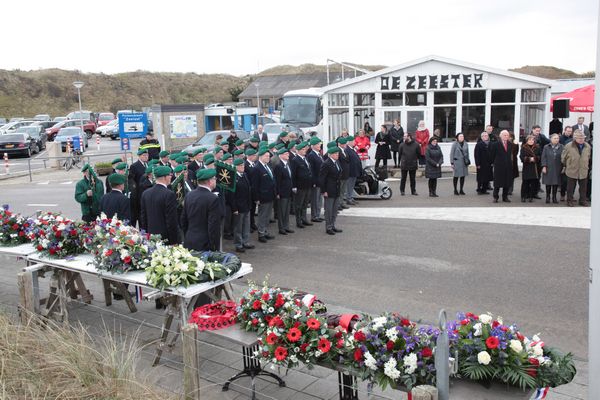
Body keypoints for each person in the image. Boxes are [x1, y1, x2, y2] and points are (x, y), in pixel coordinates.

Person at [181, 168, 222, 251]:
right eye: (214, 178)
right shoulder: (213, 199)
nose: (216, 181)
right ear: (210, 181)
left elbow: (183, 220)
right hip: (205, 244)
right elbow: (213, 226)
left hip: (190, 240)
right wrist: (214, 246)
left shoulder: (189, 195)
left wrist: (188, 235)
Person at [140, 166, 179, 244]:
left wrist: (146, 235)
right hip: (165, 237)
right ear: (165, 177)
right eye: (170, 175)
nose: (171, 177)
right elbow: (171, 220)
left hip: (151, 235)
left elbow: (143, 218)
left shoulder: (146, 193)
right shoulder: (169, 194)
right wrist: (174, 241)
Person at [226, 158, 254, 252]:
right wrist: (234, 208)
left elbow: (248, 190)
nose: (243, 167)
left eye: (243, 165)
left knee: (246, 225)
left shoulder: (244, 175)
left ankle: (246, 242)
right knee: (238, 227)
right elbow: (231, 196)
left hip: (246, 205)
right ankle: (238, 244)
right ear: (235, 167)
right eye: (240, 165)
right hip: (238, 207)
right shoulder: (233, 178)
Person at [251, 148, 276, 243]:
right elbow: (254, 185)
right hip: (263, 196)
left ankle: (265, 231)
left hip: (270, 195)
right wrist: (256, 198)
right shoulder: (257, 168)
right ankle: (261, 233)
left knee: (267, 215)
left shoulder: (267, 166)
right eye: (266, 156)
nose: (268, 158)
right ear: (260, 157)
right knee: (262, 216)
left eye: (269, 156)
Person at [561, 130, 592, 207]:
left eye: (583, 138)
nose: (581, 139)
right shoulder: (568, 146)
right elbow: (563, 158)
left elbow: (589, 157)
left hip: (583, 169)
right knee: (570, 188)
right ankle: (569, 201)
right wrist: (567, 165)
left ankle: (582, 200)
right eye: (579, 138)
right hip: (572, 169)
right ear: (575, 138)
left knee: (583, 188)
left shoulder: (588, 146)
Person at [319, 146, 342, 235]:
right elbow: (322, 178)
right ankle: (328, 227)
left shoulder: (337, 162)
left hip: (336, 189)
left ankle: (332, 225)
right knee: (329, 210)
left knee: (335, 209)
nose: (337, 155)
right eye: (335, 154)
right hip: (329, 190)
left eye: (338, 153)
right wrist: (324, 191)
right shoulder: (326, 164)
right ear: (331, 154)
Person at [291, 141, 312, 227]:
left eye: (305, 149)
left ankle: (304, 219)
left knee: (305, 204)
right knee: (299, 204)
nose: (305, 150)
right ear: (298, 150)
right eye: (303, 149)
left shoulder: (305, 158)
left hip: (307, 185)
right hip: (300, 186)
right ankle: (298, 221)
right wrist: (294, 186)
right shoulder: (295, 160)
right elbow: (293, 174)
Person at [490, 130, 514, 203]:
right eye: (504, 135)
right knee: (497, 182)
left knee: (506, 182)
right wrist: (493, 163)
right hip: (499, 166)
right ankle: (495, 197)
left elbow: (511, 154)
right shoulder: (495, 144)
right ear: (500, 136)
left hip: (508, 166)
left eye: (507, 135)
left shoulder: (510, 144)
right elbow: (492, 155)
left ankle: (505, 197)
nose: (506, 136)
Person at [274, 148, 293, 235]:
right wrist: (278, 193)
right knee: (282, 211)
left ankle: (286, 226)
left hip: (288, 191)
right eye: (286, 154)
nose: (288, 155)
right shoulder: (279, 166)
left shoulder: (287, 164)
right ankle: (281, 228)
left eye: (288, 154)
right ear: (281, 155)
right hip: (282, 192)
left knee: (287, 210)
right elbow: (277, 181)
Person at [541, 134, 564, 204]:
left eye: (557, 138)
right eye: (555, 138)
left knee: (556, 183)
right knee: (548, 183)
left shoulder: (562, 147)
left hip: (558, 167)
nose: (556, 140)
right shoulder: (546, 147)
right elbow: (543, 157)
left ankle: (554, 197)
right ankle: (548, 197)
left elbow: (564, 157)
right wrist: (544, 166)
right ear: (551, 139)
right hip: (548, 167)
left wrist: (564, 166)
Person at [129, 149, 149, 227]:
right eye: (144, 155)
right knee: (140, 215)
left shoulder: (147, 164)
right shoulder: (134, 166)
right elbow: (132, 180)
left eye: (147, 155)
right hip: (139, 193)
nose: (146, 157)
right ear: (139, 156)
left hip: (147, 191)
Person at [307, 137, 324, 222]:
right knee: (315, 199)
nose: (319, 145)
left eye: (319, 144)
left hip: (320, 180)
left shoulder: (318, 154)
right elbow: (311, 170)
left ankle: (318, 214)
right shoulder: (311, 155)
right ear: (313, 146)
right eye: (317, 144)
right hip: (316, 181)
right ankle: (314, 216)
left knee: (319, 199)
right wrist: (313, 182)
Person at [519, 135, 540, 202]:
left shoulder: (537, 147)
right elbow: (521, 157)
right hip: (527, 167)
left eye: (532, 140)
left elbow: (540, 156)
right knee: (525, 182)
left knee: (533, 183)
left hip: (534, 168)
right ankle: (523, 196)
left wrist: (535, 159)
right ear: (527, 141)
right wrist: (529, 159)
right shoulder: (524, 147)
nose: (531, 141)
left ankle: (531, 196)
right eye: (529, 140)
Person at [346, 135, 362, 205]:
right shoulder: (347, 150)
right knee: (349, 186)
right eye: (353, 141)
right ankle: (348, 198)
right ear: (349, 142)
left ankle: (351, 197)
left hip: (354, 171)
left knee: (352, 185)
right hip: (351, 171)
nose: (354, 142)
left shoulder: (352, 149)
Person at [337, 137, 351, 209]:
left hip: (346, 174)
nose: (345, 145)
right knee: (339, 190)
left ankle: (342, 202)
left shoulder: (344, 151)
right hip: (341, 174)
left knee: (343, 190)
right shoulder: (338, 151)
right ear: (340, 144)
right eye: (344, 143)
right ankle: (338, 204)